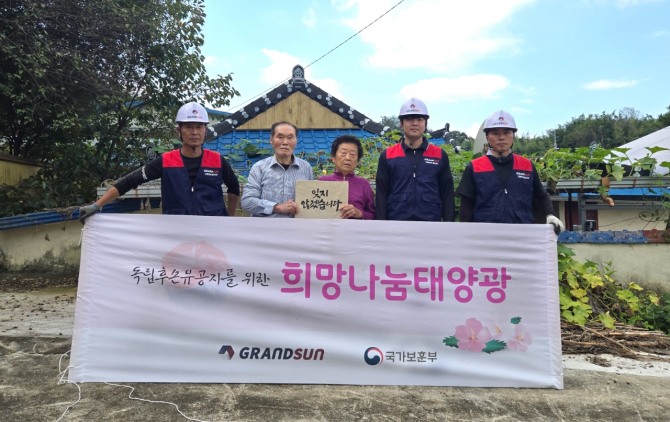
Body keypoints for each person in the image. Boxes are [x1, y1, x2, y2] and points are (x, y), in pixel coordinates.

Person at [78, 102, 240, 222]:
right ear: (179, 131)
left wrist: (229, 218)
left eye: (199, 127)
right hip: (176, 230)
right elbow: (129, 182)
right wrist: (97, 205)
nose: (194, 132)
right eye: (188, 127)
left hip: (212, 228)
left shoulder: (217, 160)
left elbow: (234, 187)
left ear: (205, 130)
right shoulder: (166, 160)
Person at [456, 110, 564, 234]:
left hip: (522, 234)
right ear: (487, 137)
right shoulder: (475, 167)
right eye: (495, 133)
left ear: (513, 136)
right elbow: (466, 205)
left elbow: (541, 195)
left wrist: (550, 214)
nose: (501, 137)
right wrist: (465, 233)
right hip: (485, 236)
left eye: (506, 133)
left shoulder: (526, 165)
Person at [375, 98, 455, 221]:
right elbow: (381, 195)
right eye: (409, 119)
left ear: (425, 123)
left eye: (419, 119)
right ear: (401, 123)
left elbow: (447, 194)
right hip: (396, 224)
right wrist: (381, 225)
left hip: (430, 224)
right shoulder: (388, 155)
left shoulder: (439, 155)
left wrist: (449, 225)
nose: (414, 123)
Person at [241, 121, 313, 217]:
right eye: (280, 137)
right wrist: (276, 207)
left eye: (290, 137)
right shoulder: (259, 167)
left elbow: (311, 200)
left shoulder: (306, 168)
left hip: (296, 228)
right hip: (265, 229)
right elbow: (247, 201)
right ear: (271, 140)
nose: (285, 142)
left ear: (296, 141)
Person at [319, 135, 375, 219]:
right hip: (329, 230)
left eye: (353, 154)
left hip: (356, 231)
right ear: (333, 157)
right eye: (343, 153)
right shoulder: (322, 182)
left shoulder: (364, 184)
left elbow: (374, 215)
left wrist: (360, 213)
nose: (348, 158)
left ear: (357, 160)